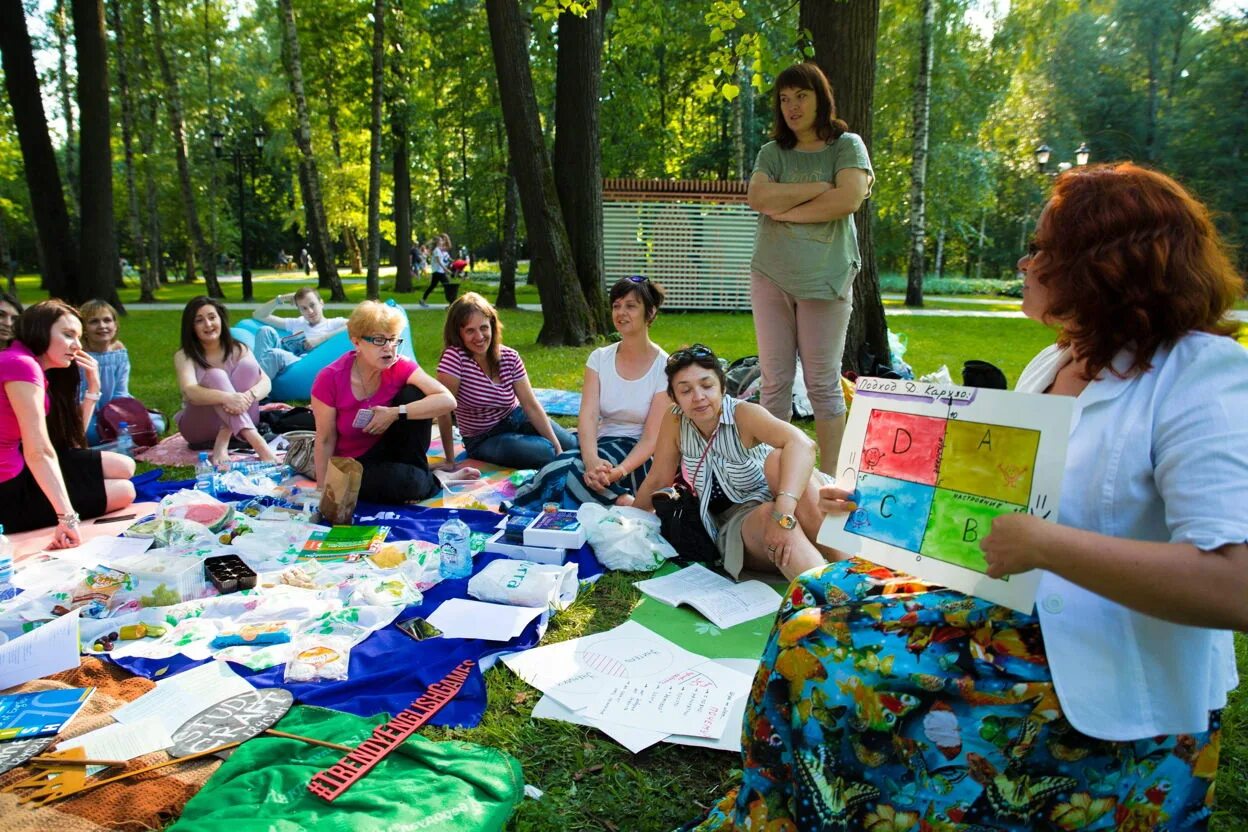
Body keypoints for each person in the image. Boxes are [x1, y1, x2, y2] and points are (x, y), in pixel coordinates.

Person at [689, 163, 1247, 831]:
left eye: (1041, 247)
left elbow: (1233, 586)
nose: (1025, 260)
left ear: (1101, 266)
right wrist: (874, 503)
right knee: (813, 602)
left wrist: (1046, 546)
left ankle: (862, 803)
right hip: (1013, 611)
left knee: (834, 659)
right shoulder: (1061, 360)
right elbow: (986, 507)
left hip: (1103, 675)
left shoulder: (1201, 378)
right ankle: (784, 809)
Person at [747, 62, 873, 473]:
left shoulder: (846, 146)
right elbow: (759, 197)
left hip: (826, 278)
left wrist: (788, 211)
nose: (792, 106)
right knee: (775, 382)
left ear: (821, 97)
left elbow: (848, 199)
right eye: (785, 99)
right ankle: (775, 473)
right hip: (771, 276)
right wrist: (820, 188)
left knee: (823, 384)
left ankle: (833, 479)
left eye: (801, 96)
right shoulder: (772, 152)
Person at [630, 344, 839, 580]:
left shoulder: (744, 414)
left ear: (722, 386)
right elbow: (658, 478)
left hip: (791, 503)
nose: (698, 397)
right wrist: (627, 519)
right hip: (742, 525)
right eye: (685, 390)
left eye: (707, 386)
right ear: (674, 397)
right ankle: (830, 593)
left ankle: (851, 566)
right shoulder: (675, 421)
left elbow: (803, 444)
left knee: (778, 460)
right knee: (766, 514)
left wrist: (783, 512)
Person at [512, 277, 669, 508]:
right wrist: (591, 459)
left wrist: (618, 471)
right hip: (600, 444)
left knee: (571, 475)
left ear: (650, 312)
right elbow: (588, 416)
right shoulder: (599, 358)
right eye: (616, 305)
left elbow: (650, 439)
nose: (621, 312)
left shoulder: (664, 366)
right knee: (556, 470)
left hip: (636, 455)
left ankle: (620, 499)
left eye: (631, 305)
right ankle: (619, 501)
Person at [0, 300, 135, 545]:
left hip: (21, 470)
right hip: (9, 489)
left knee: (125, 466)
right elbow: (39, 451)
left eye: (79, 336)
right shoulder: (21, 365)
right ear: (40, 330)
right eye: (68, 335)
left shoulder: (31, 365)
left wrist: (93, 389)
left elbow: (71, 442)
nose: (78, 345)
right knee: (124, 491)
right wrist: (67, 517)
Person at [311, 301, 461, 504]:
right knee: (408, 484)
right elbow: (325, 439)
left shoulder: (400, 365)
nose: (389, 348)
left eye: (393, 339)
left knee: (414, 394)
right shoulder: (330, 378)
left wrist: (395, 412)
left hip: (395, 450)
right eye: (379, 340)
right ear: (357, 342)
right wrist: (323, 488)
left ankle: (418, 474)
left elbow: (447, 401)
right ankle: (432, 479)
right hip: (355, 461)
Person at [436, 292, 577, 470]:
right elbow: (443, 411)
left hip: (517, 417)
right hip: (483, 438)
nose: (479, 337)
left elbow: (530, 405)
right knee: (545, 452)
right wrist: (450, 459)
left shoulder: (509, 356)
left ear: (492, 326)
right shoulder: (454, 358)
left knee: (570, 445)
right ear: (458, 334)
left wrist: (558, 446)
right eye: (470, 330)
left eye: (483, 328)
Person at [174, 297, 278, 466]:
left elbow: (265, 382)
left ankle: (224, 436)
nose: (208, 324)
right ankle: (259, 444)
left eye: (212, 317)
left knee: (248, 367)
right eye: (199, 321)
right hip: (200, 427)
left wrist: (248, 396)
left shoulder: (239, 348)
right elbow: (190, 391)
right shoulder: (184, 355)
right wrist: (227, 398)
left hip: (243, 418)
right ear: (191, 327)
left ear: (220, 319)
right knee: (215, 375)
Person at [76, 299, 166, 445]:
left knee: (157, 425)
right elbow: (78, 394)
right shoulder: (80, 354)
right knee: (91, 434)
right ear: (84, 328)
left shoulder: (118, 349)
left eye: (107, 320)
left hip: (115, 406)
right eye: (94, 322)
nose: (102, 326)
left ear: (115, 325)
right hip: (87, 408)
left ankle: (117, 437)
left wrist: (114, 415)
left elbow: (121, 391)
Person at [250, 287, 348, 380]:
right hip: (287, 354)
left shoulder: (333, 323)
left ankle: (251, 386)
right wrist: (281, 299)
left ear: (321, 303)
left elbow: (356, 323)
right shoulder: (297, 322)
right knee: (265, 330)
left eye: (312, 305)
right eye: (304, 308)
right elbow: (258, 315)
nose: (310, 311)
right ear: (299, 310)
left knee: (275, 354)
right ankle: (254, 375)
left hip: (301, 363)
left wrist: (320, 339)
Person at [420, 235, 452, 307]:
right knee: (448, 286)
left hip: (437, 272)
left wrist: (447, 238)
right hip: (438, 272)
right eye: (441, 240)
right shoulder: (436, 250)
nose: (442, 241)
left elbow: (448, 246)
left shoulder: (438, 249)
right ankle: (451, 303)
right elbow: (439, 262)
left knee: (432, 286)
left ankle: (422, 300)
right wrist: (446, 270)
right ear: (438, 242)